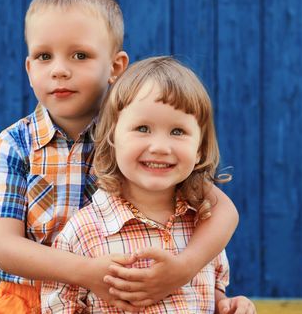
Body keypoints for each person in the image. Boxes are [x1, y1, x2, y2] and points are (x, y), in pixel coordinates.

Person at [0, 0, 240, 314]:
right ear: (29, 69)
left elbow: (224, 212)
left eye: (80, 55)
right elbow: (7, 247)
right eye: (44, 56)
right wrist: (88, 272)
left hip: (116, 292)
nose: (59, 70)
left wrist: (183, 268)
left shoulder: (133, 137)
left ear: (115, 67)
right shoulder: (16, 143)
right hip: (29, 295)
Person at [41, 56, 257, 314]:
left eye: (178, 132)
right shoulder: (83, 232)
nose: (160, 147)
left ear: (199, 149)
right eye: (142, 128)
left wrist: (227, 305)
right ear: (112, 138)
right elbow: (60, 306)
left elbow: (212, 290)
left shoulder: (203, 224)